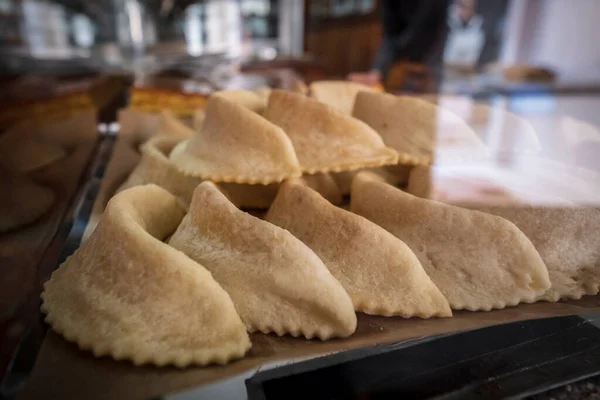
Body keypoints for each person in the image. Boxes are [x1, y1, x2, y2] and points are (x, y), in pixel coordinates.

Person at [348, 0, 450, 86]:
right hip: (412, 60)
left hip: (438, 55)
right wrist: (376, 71)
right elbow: (390, 35)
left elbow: (422, 30)